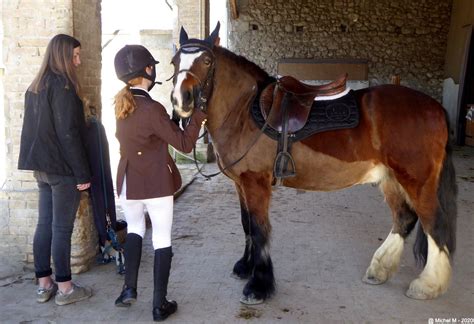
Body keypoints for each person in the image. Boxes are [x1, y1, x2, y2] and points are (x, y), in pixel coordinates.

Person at [113, 44, 206, 321]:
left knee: (134, 230)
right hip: (155, 182)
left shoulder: (120, 105)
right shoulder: (152, 108)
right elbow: (185, 144)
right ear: (149, 70)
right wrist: (199, 115)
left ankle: (129, 289)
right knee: (162, 239)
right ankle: (159, 304)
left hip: (129, 181)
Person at [18, 34, 93, 305]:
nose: (78, 61)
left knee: (45, 225)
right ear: (62, 56)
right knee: (61, 229)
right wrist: (83, 175)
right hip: (62, 170)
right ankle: (65, 288)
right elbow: (68, 134)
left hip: (42, 169)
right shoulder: (62, 86)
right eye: (74, 56)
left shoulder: (35, 86)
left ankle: (44, 284)